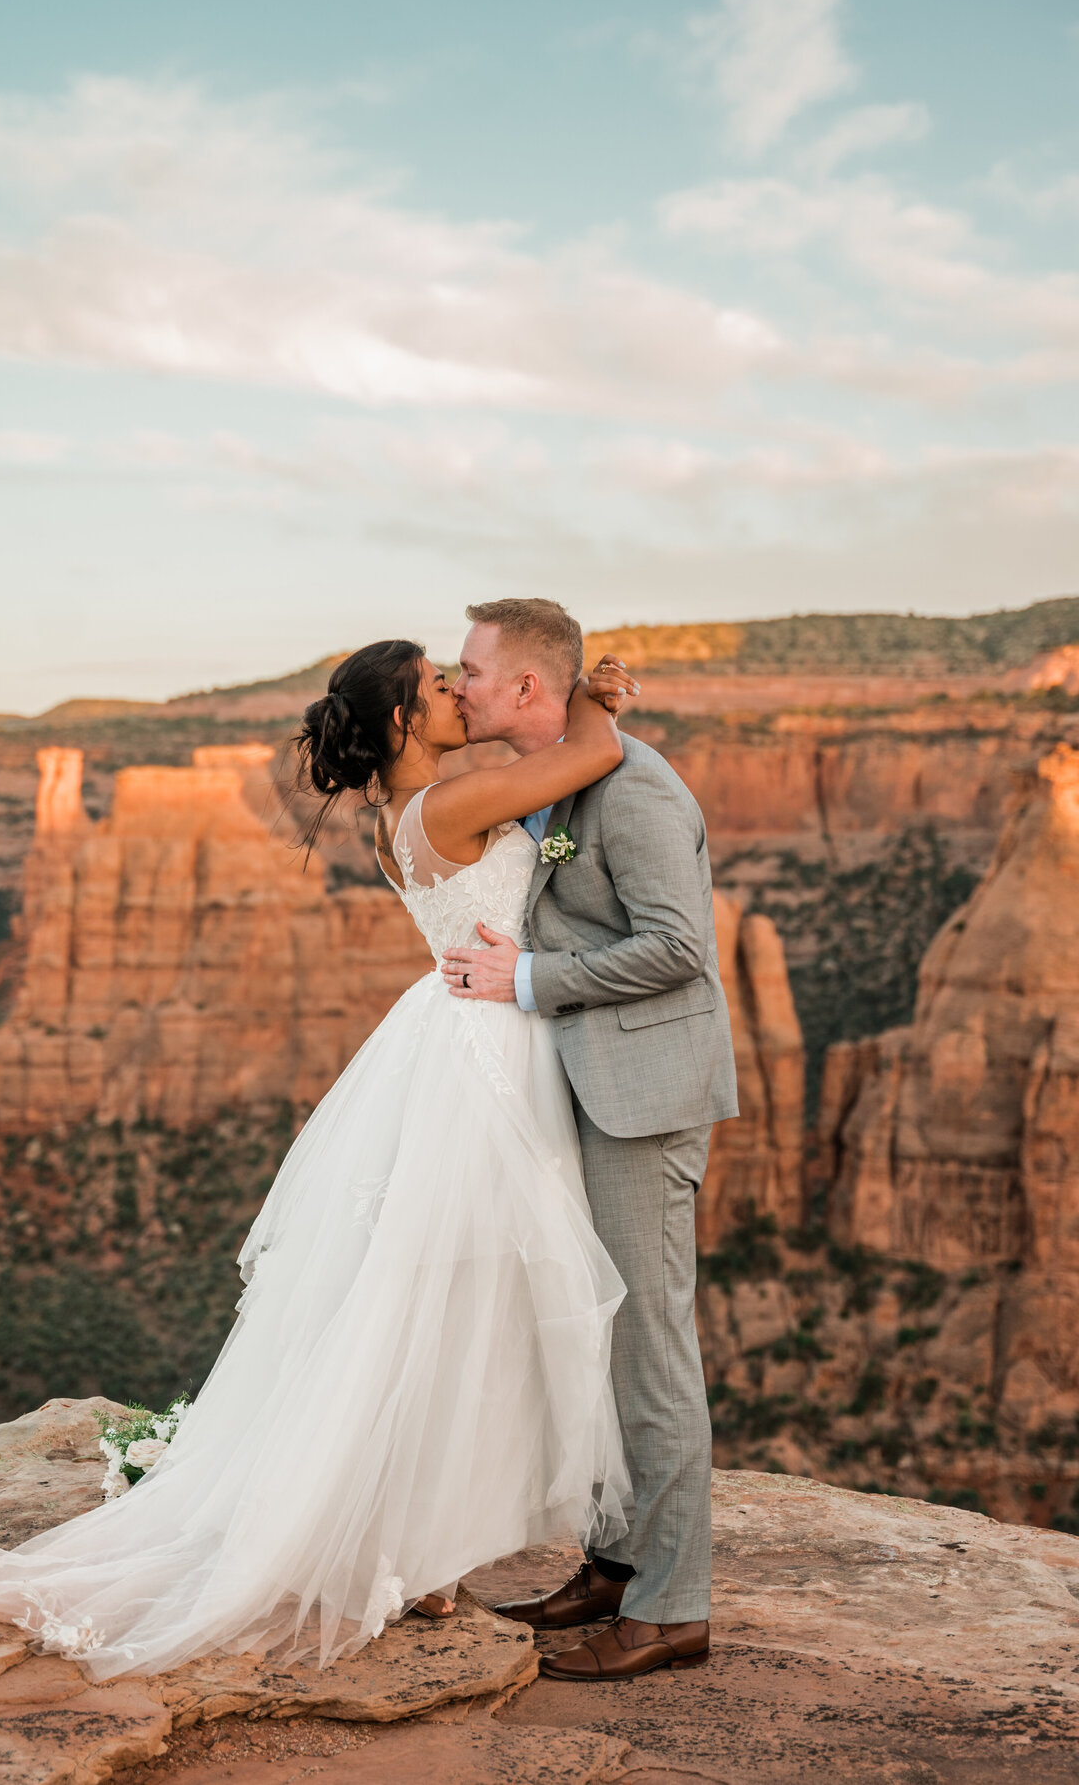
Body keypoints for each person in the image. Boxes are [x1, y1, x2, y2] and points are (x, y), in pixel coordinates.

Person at [0, 635, 638, 1680]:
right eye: (437, 687)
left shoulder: (396, 815)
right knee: (453, 1304)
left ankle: (422, 1549)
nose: (458, 694)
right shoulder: (451, 807)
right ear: (404, 722)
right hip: (486, 1052)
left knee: (438, 1302)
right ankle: (412, 1546)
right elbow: (587, 758)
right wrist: (587, 692)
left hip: (464, 1036)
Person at [443, 598, 737, 1682]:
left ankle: (673, 1609)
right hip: (580, 1088)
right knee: (599, 1333)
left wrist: (525, 979)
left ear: (528, 687)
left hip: (642, 1098)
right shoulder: (568, 771)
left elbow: (677, 950)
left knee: (650, 1346)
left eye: (470, 669)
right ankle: (616, 1566)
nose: (456, 684)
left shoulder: (640, 789)